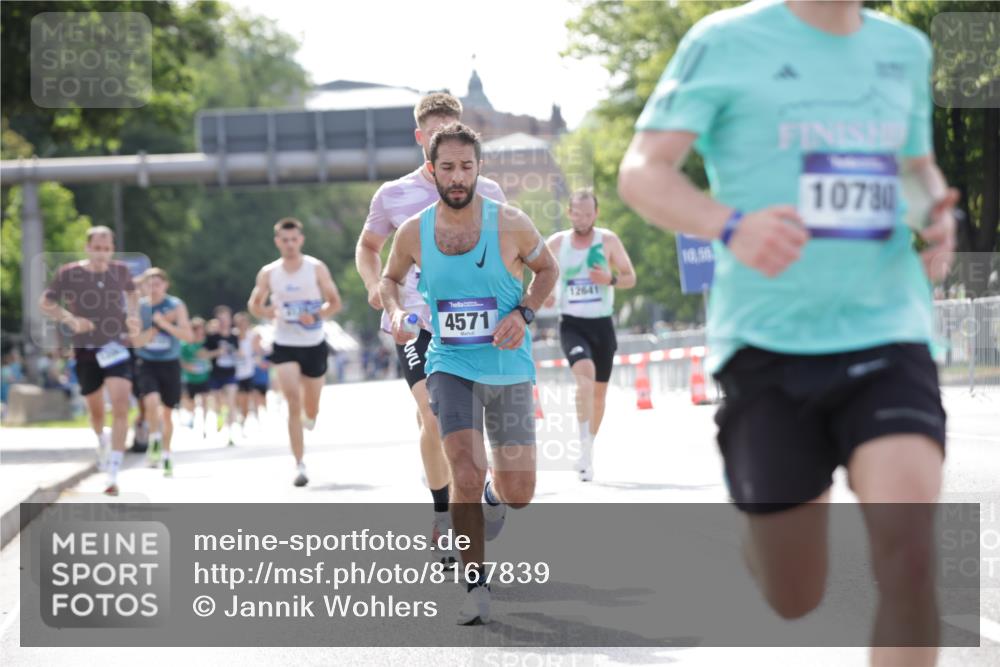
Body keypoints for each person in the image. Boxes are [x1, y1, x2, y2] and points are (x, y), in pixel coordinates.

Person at [617, 1, 957, 664]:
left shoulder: (905, 50)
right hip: (769, 346)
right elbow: (642, 171)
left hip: (886, 327)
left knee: (911, 554)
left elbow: (914, 166)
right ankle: (761, 520)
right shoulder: (724, 41)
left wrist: (933, 212)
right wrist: (729, 224)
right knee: (794, 593)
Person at [380, 122, 558, 625]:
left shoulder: (513, 223)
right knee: (464, 468)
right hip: (449, 363)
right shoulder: (414, 230)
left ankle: (497, 498)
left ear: (479, 169)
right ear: (432, 170)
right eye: (448, 168)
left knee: (519, 493)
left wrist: (522, 314)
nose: (458, 178)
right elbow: (389, 279)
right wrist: (394, 312)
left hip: (507, 366)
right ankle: (474, 585)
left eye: (467, 167)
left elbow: (548, 271)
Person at [356, 92, 507, 568]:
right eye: (436, 136)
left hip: (474, 319)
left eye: (453, 134)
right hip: (417, 320)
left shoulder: (490, 194)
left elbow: (514, 253)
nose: (445, 146)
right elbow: (368, 247)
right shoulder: (393, 195)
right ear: (422, 139)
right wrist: (375, 286)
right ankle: (445, 514)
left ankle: (478, 483)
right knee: (434, 412)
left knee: (470, 418)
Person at [39, 225, 140, 496]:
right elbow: (45, 303)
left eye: (106, 249)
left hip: (116, 344)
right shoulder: (69, 273)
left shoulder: (120, 271)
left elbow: (132, 294)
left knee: (120, 404)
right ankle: (101, 440)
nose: (102, 253)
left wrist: (133, 315)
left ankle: (114, 473)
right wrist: (71, 320)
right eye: (97, 248)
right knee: (96, 412)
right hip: (85, 349)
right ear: (87, 247)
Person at [543, 188, 636, 481]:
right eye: (577, 213)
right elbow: (537, 272)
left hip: (602, 325)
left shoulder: (607, 241)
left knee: (599, 394)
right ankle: (583, 449)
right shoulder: (557, 243)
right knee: (584, 377)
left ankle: (587, 448)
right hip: (572, 323)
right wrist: (544, 293)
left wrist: (608, 278)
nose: (582, 218)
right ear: (569, 212)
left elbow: (630, 277)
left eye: (588, 213)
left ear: (596, 213)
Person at [249, 217, 342, 487]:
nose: (289, 245)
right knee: (292, 401)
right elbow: (254, 304)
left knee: (310, 409)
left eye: (294, 240)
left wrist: (316, 315)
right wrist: (267, 311)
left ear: (300, 240)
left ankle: (310, 417)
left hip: (313, 342)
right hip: (284, 342)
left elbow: (334, 303)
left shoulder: (315, 268)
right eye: (284, 240)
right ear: (278, 242)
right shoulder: (269, 272)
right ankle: (299, 464)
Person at [132, 268, 193, 476]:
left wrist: (165, 322)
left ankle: (166, 454)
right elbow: (136, 341)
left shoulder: (176, 305)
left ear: (165, 285)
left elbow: (188, 336)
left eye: (157, 284)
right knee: (150, 401)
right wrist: (155, 327)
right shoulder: (138, 308)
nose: (153, 288)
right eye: (149, 284)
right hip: (147, 362)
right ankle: (154, 440)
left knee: (167, 413)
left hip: (170, 362)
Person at [204, 305, 240, 445]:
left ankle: (230, 434)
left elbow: (240, 352)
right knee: (218, 402)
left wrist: (238, 353)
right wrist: (216, 352)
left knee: (231, 401)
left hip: (230, 373)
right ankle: (221, 416)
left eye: (226, 318)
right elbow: (202, 354)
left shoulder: (234, 336)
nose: (224, 321)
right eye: (221, 319)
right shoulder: (212, 337)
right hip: (215, 373)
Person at [180, 317, 212, 437]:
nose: (201, 332)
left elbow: (208, 355)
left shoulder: (205, 343)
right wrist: (187, 366)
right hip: (190, 378)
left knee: (204, 401)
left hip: (203, 377)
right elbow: (181, 359)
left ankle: (204, 427)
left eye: (202, 329)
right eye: (198, 329)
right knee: (190, 402)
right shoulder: (185, 344)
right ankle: (192, 417)